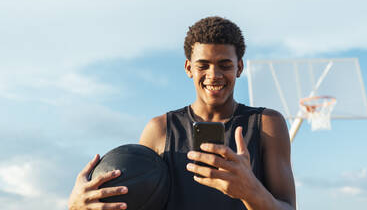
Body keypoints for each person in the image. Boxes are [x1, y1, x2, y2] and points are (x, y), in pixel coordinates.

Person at [68, 16, 296, 210]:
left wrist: (251, 191)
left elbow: (288, 206)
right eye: (203, 65)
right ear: (188, 68)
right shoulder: (159, 129)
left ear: (239, 68)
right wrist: (79, 204)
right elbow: (135, 197)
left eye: (225, 64)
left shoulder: (267, 124)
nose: (214, 74)